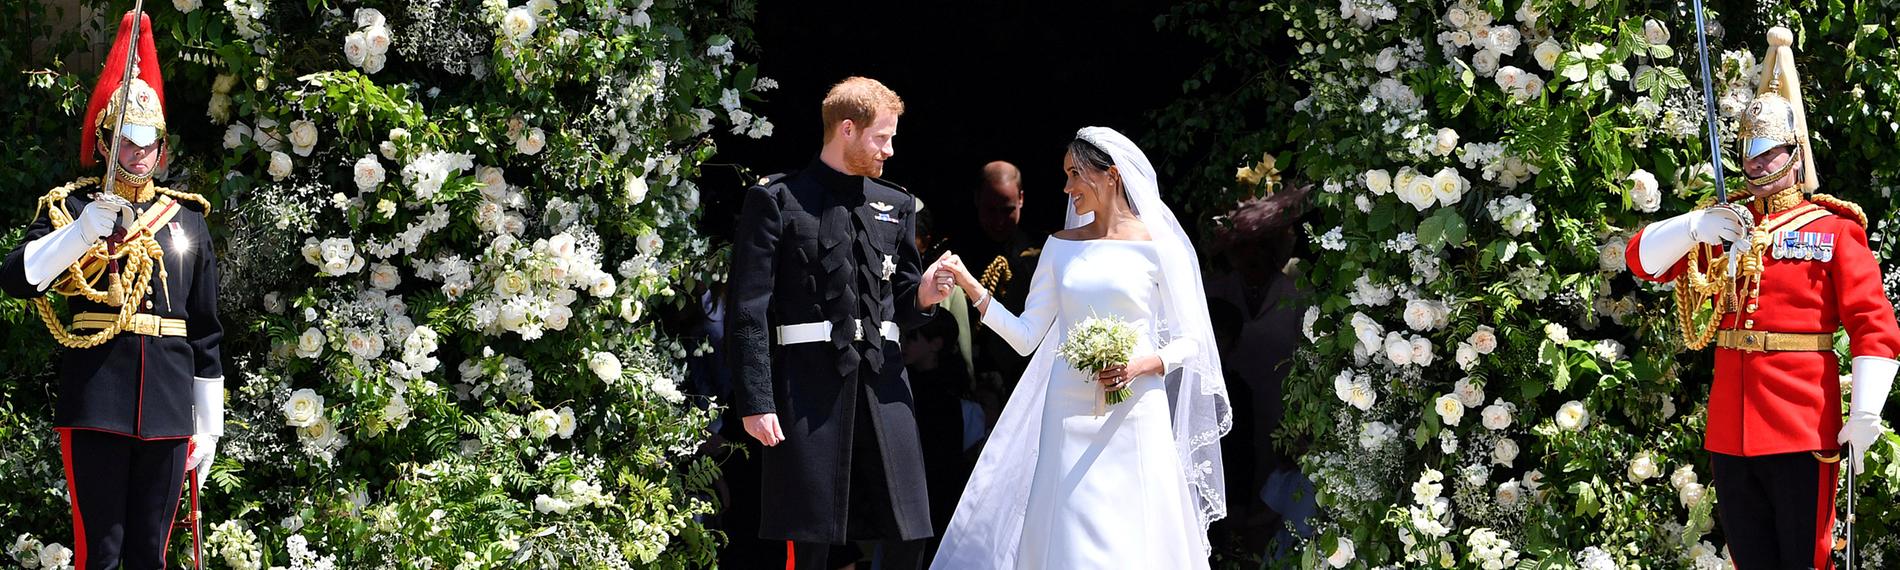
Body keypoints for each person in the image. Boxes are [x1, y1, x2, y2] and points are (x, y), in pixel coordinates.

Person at [1625, 27, 1897, 570]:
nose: (1757, 164)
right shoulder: (1723, 223)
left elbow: (1874, 324)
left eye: (1769, 151)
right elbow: (1642, 262)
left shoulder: (1834, 230)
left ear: (1794, 155)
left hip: (1800, 423)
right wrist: (1695, 226)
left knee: (1805, 559)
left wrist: (1866, 411)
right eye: (1750, 152)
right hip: (1732, 426)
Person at [931, 127, 1231, 568]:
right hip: (1066, 410)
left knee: (1134, 527)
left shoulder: (1159, 247)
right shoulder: (1059, 247)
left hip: (1135, 410)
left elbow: (1192, 340)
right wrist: (974, 288)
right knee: (1070, 530)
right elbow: (1027, 336)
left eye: (1075, 174)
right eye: (1066, 175)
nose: (1067, 187)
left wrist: (1145, 363)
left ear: (1110, 175)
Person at [0, 11, 225, 569]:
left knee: (152, 554)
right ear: (105, 142)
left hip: (171, 408)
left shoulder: (186, 222)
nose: (139, 151)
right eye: (127, 138)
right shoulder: (72, 208)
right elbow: (17, 278)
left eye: (149, 140)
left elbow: (206, 330)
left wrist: (210, 425)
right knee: (99, 551)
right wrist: (80, 233)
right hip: (97, 400)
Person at [725, 76, 956, 570]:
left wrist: (927, 294)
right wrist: (757, 401)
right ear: (846, 129)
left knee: (908, 530)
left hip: (884, 385)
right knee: (810, 539)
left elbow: (900, 302)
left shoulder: (897, 204)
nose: (890, 150)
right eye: (882, 137)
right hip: (806, 388)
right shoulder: (777, 200)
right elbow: (749, 311)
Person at [961, 161, 1045, 423]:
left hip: (1026, 380)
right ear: (976, 200)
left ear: (1021, 199)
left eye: (1007, 210)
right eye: (990, 210)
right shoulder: (958, 253)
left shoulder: (1042, 253)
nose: (998, 221)